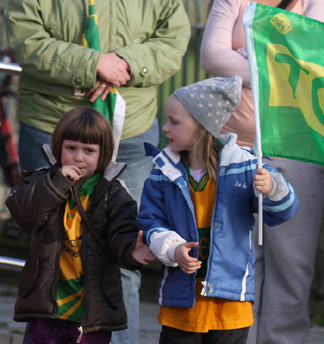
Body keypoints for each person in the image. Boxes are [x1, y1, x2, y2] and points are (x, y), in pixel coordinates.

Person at [4, 1, 191, 343]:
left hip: (130, 129)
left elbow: (174, 37)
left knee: (122, 250)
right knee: (49, 249)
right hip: (51, 124)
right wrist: (92, 64)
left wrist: (127, 63)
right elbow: (24, 34)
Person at [200, 0, 324, 343]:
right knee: (240, 262)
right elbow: (210, 57)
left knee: (291, 268)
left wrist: (244, 57)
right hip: (233, 148)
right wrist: (268, 64)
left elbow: (303, 60)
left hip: (298, 150)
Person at [137, 75, 299, 343]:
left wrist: (272, 189)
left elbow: (285, 211)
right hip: (181, 305)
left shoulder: (248, 167)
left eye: (174, 122)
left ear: (202, 127)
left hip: (231, 305)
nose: (165, 128)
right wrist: (172, 249)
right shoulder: (161, 172)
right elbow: (150, 221)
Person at [5, 107, 156, 344]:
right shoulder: (42, 180)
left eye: (89, 150)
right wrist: (57, 185)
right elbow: (24, 215)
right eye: (71, 148)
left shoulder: (114, 193)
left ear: (104, 154)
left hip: (92, 314)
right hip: (47, 308)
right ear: (58, 147)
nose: (78, 157)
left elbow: (122, 233)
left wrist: (131, 250)